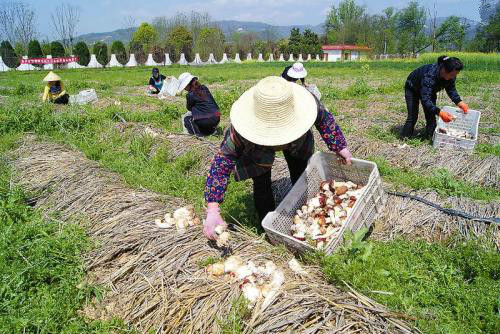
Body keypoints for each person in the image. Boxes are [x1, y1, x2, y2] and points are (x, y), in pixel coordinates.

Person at [202, 76, 352, 240]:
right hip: (257, 148)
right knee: (261, 185)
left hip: (298, 143)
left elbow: (325, 120)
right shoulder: (240, 132)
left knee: (302, 175)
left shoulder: (308, 103)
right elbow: (221, 164)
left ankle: (308, 215)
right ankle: (268, 229)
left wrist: (339, 146)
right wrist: (213, 209)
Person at [401, 55, 469, 139]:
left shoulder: (451, 75)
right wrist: (440, 113)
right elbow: (426, 100)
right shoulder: (429, 75)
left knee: (431, 116)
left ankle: (430, 137)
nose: (453, 77)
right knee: (412, 116)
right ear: (444, 70)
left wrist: (459, 102)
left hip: (430, 90)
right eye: (452, 75)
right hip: (412, 88)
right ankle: (405, 137)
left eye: (455, 75)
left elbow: (451, 89)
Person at [178, 72, 220, 137]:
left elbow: (189, 108)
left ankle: (196, 136)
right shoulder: (204, 87)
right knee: (200, 113)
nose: (184, 89)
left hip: (208, 119)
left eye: (184, 87)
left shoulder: (190, 95)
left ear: (187, 85)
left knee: (187, 119)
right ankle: (212, 131)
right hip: (217, 116)